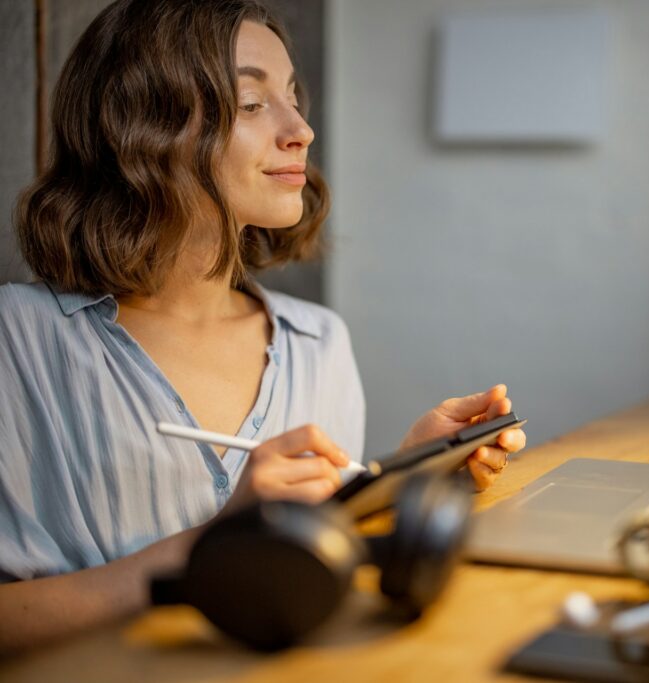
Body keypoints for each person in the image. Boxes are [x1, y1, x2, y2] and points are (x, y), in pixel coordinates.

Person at [0, 0, 525, 653]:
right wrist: (209, 546)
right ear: (141, 124)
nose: (301, 128)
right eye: (252, 103)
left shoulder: (319, 343)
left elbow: (306, 578)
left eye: (294, 97)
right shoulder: (16, 339)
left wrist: (395, 481)